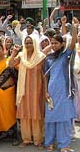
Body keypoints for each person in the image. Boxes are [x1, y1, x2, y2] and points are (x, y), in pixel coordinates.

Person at [44, 19, 78, 152]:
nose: (53, 45)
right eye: (51, 43)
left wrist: (74, 28)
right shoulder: (48, 58)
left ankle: (64, 144)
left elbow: (73, 43)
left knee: (63, 118)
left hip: (64, 90)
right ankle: (50, 142)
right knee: (51, 118)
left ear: (62, 44)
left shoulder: (65, 56)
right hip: (51, 91)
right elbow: (46, 76)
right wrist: (46, 91)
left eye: (56, 43)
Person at [9, 36, 47, 150]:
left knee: (36, 115)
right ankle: (26, 139)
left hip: (37, 90)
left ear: (35, 44)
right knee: (25, 115)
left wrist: (45, 90)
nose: (28, 45)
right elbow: (10, 65)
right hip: (24, 90)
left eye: (30, 43)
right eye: (26, 43)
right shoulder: (21, 56)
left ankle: (38, 140)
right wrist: (14, 52)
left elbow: (45, 75)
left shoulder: (41, 57)